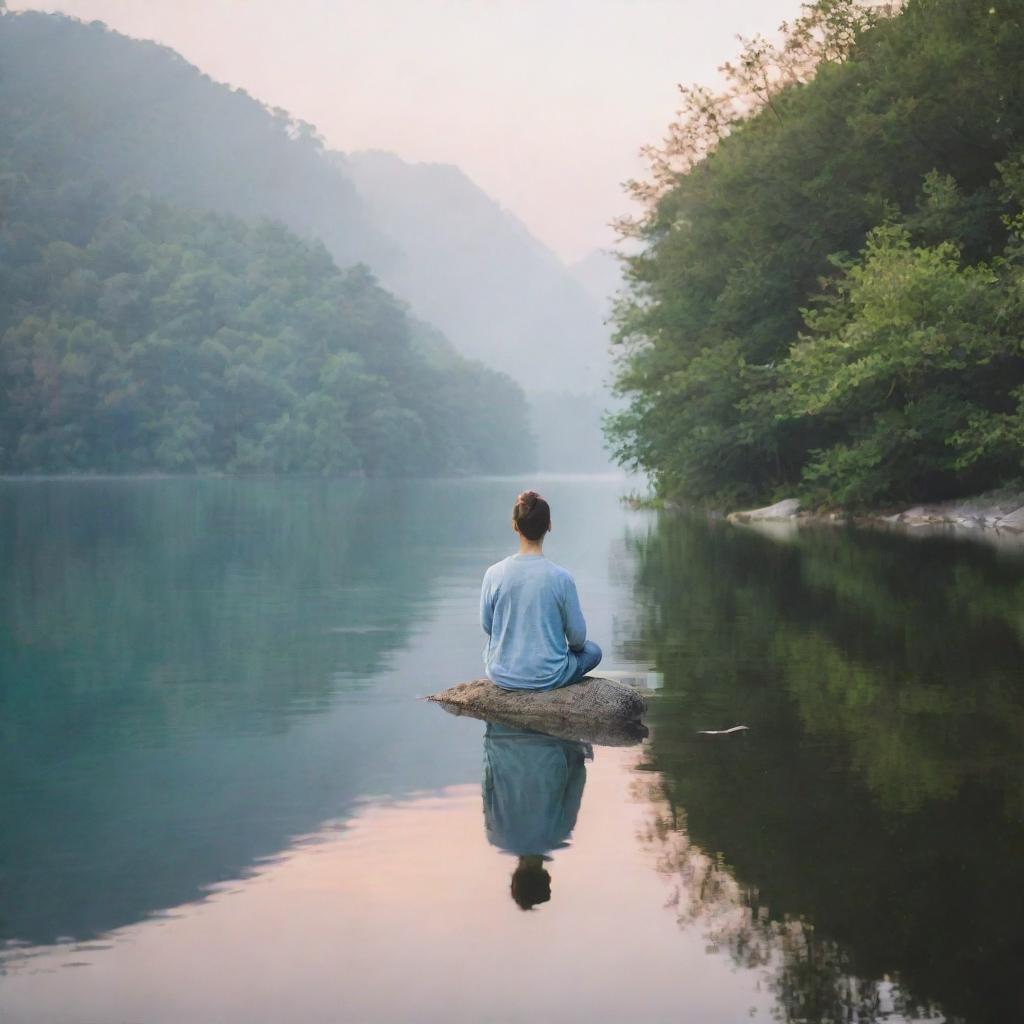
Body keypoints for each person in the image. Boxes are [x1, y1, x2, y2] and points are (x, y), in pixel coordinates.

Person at [479, 490, 602, 691]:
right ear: (549, 526)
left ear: (514, 525)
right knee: (593, 651)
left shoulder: (493, 573)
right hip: (550, 677)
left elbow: (488, 626)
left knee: (490, 647)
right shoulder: (562, 578)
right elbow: (578, 640)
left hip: (501, 675)